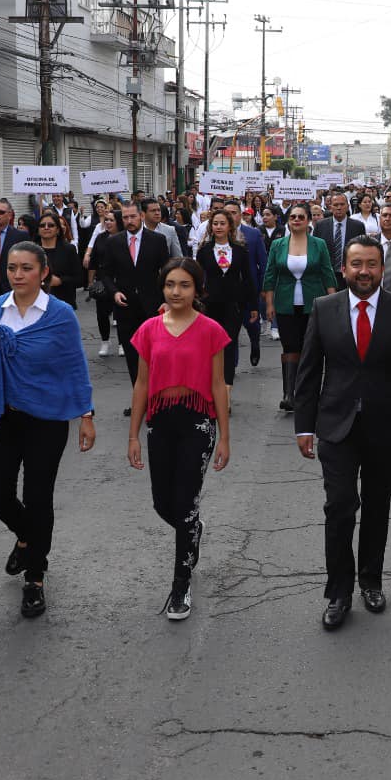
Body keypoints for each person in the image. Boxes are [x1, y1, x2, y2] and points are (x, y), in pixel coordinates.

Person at [292, 236, 391, 632]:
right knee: (338, 506)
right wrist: (304, 425)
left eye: (371, 264)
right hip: (335, 424)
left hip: (384, 425)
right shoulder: (324, 309)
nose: (364, 272)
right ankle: (338, 591)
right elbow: (308, 372)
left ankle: (371, 580)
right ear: (344, 269)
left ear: (381, 269)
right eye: (356, 264)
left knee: (376, 506)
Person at [0, 242, 96, 619]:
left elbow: (73, 366)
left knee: (38, 497)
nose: (18, 275)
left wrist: (86, 414)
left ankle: (35, 576)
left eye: (26, 269)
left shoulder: (60, 314)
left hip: (47, 418)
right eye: (12, 268)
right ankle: (26, 539)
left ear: (43, 272)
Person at [128, 258, 233, 621]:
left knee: (186, 501)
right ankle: (192, 528)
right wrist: (133, 436)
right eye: (171, 284)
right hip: (160, 422)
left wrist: (224, 437)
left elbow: (219, 385)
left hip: (198, 424)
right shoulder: (148, 330)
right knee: (163, 503)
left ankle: (180, 585)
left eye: (185, 285)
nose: (176, 291)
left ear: (197, 290)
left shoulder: (211, 331)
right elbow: (141, 384)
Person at [263, 203, 337, 411]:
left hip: (313, 304)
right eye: (293, 217)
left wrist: (334, 303)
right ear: (288, 221)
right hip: (286, 304)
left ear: (308, 221)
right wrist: (269, 303)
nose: (296, 220)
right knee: (290, 347)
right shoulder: (278, 245)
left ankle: (309, 392)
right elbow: (270, 275)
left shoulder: (318, 244)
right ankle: (289, 393)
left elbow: (327, 273)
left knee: (311, 349)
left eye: (300, 217)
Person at [102, 201, 173, 392]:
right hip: (125, 308)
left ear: (141, 216)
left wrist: (167, 301)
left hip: (152, 307)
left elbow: (166, 272)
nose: (129, 221)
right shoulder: (113, 242)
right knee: (132, 355)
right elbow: (106, 273)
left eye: (133, 216)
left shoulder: (157, 240)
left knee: (155, 354)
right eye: (125, 217)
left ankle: (157, 394)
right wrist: (114, 291)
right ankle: (139, 397)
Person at [195, 208, 259, 388]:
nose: (218, 227)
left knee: (229, 344)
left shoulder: (240, 251)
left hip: (234, 304)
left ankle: (226, 387)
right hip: (210, 305)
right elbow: (198, 279)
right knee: (211, 346)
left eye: (222, 223)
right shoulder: (204, 251)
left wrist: (253, 305)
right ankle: (210, 384)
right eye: (215, 223)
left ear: (230, 226)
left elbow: (248, 279)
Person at [224, 200, 269, 364]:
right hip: (228, 291)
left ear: (240, 215)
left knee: (252, 324)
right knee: (230, 330)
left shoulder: (253, 234)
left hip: (250, 289)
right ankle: (232, 363)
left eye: (234, 213)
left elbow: (263, 262)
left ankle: (255, 343)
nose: (230, 216)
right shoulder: (219, 234)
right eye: (227, 213)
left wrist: (264, 286)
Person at [84, 209, 124, 358]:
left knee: (121, 314)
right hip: (103, 280)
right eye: (106, 220)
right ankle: (105, 342)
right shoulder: (100, 238)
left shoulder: (125, 237)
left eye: (111, 220)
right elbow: (93, 262)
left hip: (121, 281)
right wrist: (90, 282)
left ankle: (122, 343)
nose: (107, 223)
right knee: (102, 313)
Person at [315, 194, 365, 292]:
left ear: (347, 206)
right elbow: (316, 251)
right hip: (326, 276)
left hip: (350, 275)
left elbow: (362, 251)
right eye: (336, 205)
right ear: (330, 207)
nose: (339, 208)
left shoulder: (358, 226)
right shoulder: (320, 225)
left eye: (342, 204)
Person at [35, 212, 82, 305]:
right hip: (36, 301)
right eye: (42, 225)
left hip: (62, 301)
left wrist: (61, 280)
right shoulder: (31, 250)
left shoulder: (69, 249)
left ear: (57, 229)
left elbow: (79, 278)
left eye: (51, 225)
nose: (46, 227)